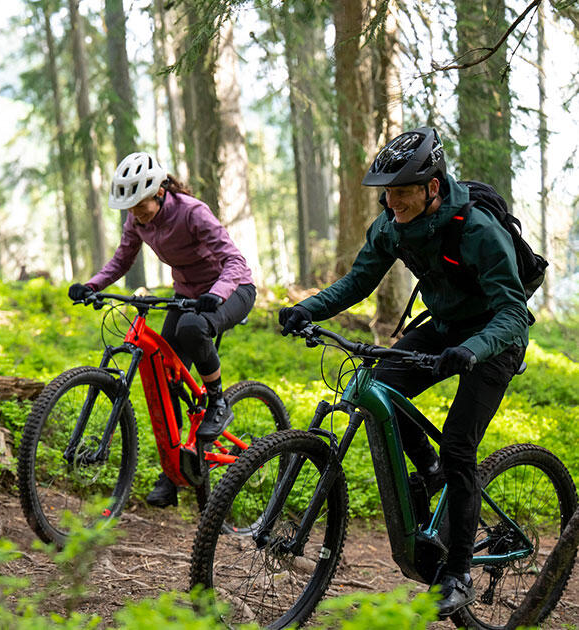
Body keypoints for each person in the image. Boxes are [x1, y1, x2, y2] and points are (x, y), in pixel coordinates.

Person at [279, 127, 529, 617]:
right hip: (445, 326)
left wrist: (472, 349)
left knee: (459, 444)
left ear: (432, 187)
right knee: (380, 389)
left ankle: (457, 573)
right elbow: (357, 281)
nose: (390, 202)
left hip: (495, 339)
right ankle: (430, 471)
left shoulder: (479, 230)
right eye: (386, 193)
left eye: (400, 192)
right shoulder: (392, 225)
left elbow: (512, 313)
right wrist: (308, 308)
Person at [68, 151, 255, 508]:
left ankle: (217, 400)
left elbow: (235, 261)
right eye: (129, 207)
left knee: (191, 329)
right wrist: (92, 285)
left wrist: (215, 295)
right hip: (187, 295)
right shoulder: (137, 220)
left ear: (158, 191)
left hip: (232, 290)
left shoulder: (191, 211)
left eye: (140, 204)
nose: (135, 213)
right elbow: (122, 259)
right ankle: (174, 469)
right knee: (164, 379)